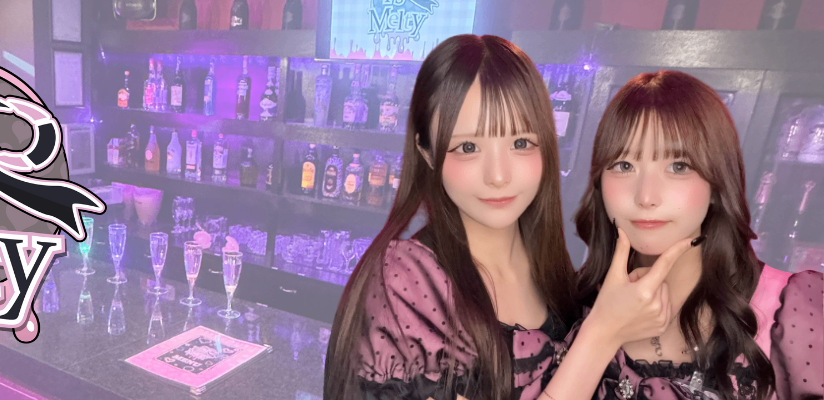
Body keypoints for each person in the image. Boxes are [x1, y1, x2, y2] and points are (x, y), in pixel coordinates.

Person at [324, 34, 685, 400]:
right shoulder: (408, 282)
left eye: (520, 143)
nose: (498, 176)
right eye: (468, 147)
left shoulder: (553, 269)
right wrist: (603, 333)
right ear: (427, 153)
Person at [572, 70, 823, 399]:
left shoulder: (792, 309)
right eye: (624, 165)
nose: (646, 197)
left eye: (678, 166)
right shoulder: (575, 307)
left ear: (717, 185)